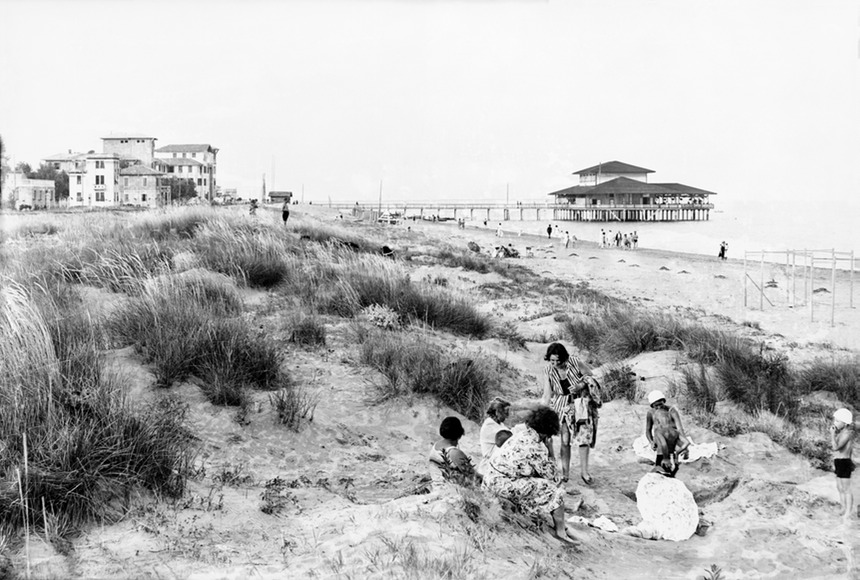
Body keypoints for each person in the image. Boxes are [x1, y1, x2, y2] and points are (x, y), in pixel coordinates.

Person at [483, 406, 584, 544]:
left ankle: (555, 523)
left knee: (536, 482)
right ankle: (561, 530)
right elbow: (554, 478)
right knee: (553, 489)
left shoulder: (522, 434)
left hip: (491, 480)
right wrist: (550, 451)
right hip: (502, 485)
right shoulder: (536, 446)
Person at [541, 342, 601, 484]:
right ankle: (565, 473)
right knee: (565, 440)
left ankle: (584, 472)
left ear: (564, 358)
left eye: (558, 360)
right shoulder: (548, 370)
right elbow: (547, 394)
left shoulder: (574, 362)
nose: (556, 364)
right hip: (562, 405)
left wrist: (581, 385)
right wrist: (543, 411)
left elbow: (590, 375)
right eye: (552, 361)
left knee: (583, 438)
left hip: (580, 403)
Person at [645, 390, 691, 476]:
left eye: (660, 404)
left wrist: (684, 447)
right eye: (656, 405)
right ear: (652, 405)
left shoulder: (671, 410)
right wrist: (651, 442)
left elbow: (679, 428)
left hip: (672, 435)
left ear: (664, 401)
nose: (659, 407)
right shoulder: (651, 413)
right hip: (660, 436)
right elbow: (648, 430)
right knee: (662, 447)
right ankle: (663, 466)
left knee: (676, 450)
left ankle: (668, 467)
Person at [429, 417, 478, 487]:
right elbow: (473, 477)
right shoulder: (455, 453)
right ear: (459, 433)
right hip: (451, 490)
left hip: (436, 487)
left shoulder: (436, 445)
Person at [831, 408, 854, 520]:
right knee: (839, 487)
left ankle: (848, 512)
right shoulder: (841, 433)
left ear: (845, 423)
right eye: (835, 420)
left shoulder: (847, 434)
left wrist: (832, 434)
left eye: (837, 421)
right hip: (839, 461)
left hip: (844, 462)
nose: (834, 423)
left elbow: (835, 447)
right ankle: (843, 507)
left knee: (846, 488)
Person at [478, 398, 511, 474]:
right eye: (505, 412)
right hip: (489, 466)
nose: (507, 416)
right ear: (498, 412)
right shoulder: (489, 426)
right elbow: (509, 437)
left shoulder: (499, 424)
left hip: (497, 463)